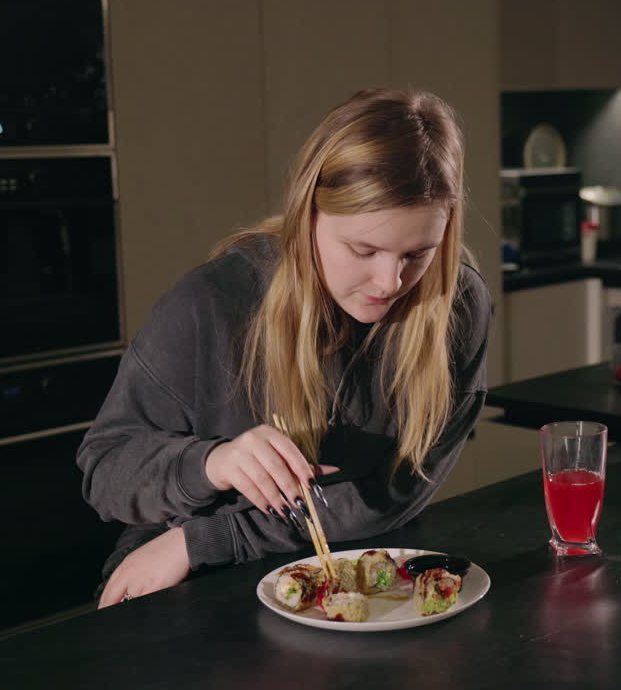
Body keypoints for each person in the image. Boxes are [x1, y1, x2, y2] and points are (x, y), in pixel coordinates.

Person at [77, 87, 492, 609]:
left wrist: (207, 538)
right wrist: (211, 463)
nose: (390, 281)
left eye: (418, 253)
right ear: (307, 213)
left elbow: (396, 494)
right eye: (363, 250)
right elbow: (106, 473)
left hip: (365, 577)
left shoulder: (458, 303)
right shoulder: (211, 303)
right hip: (194, 580)